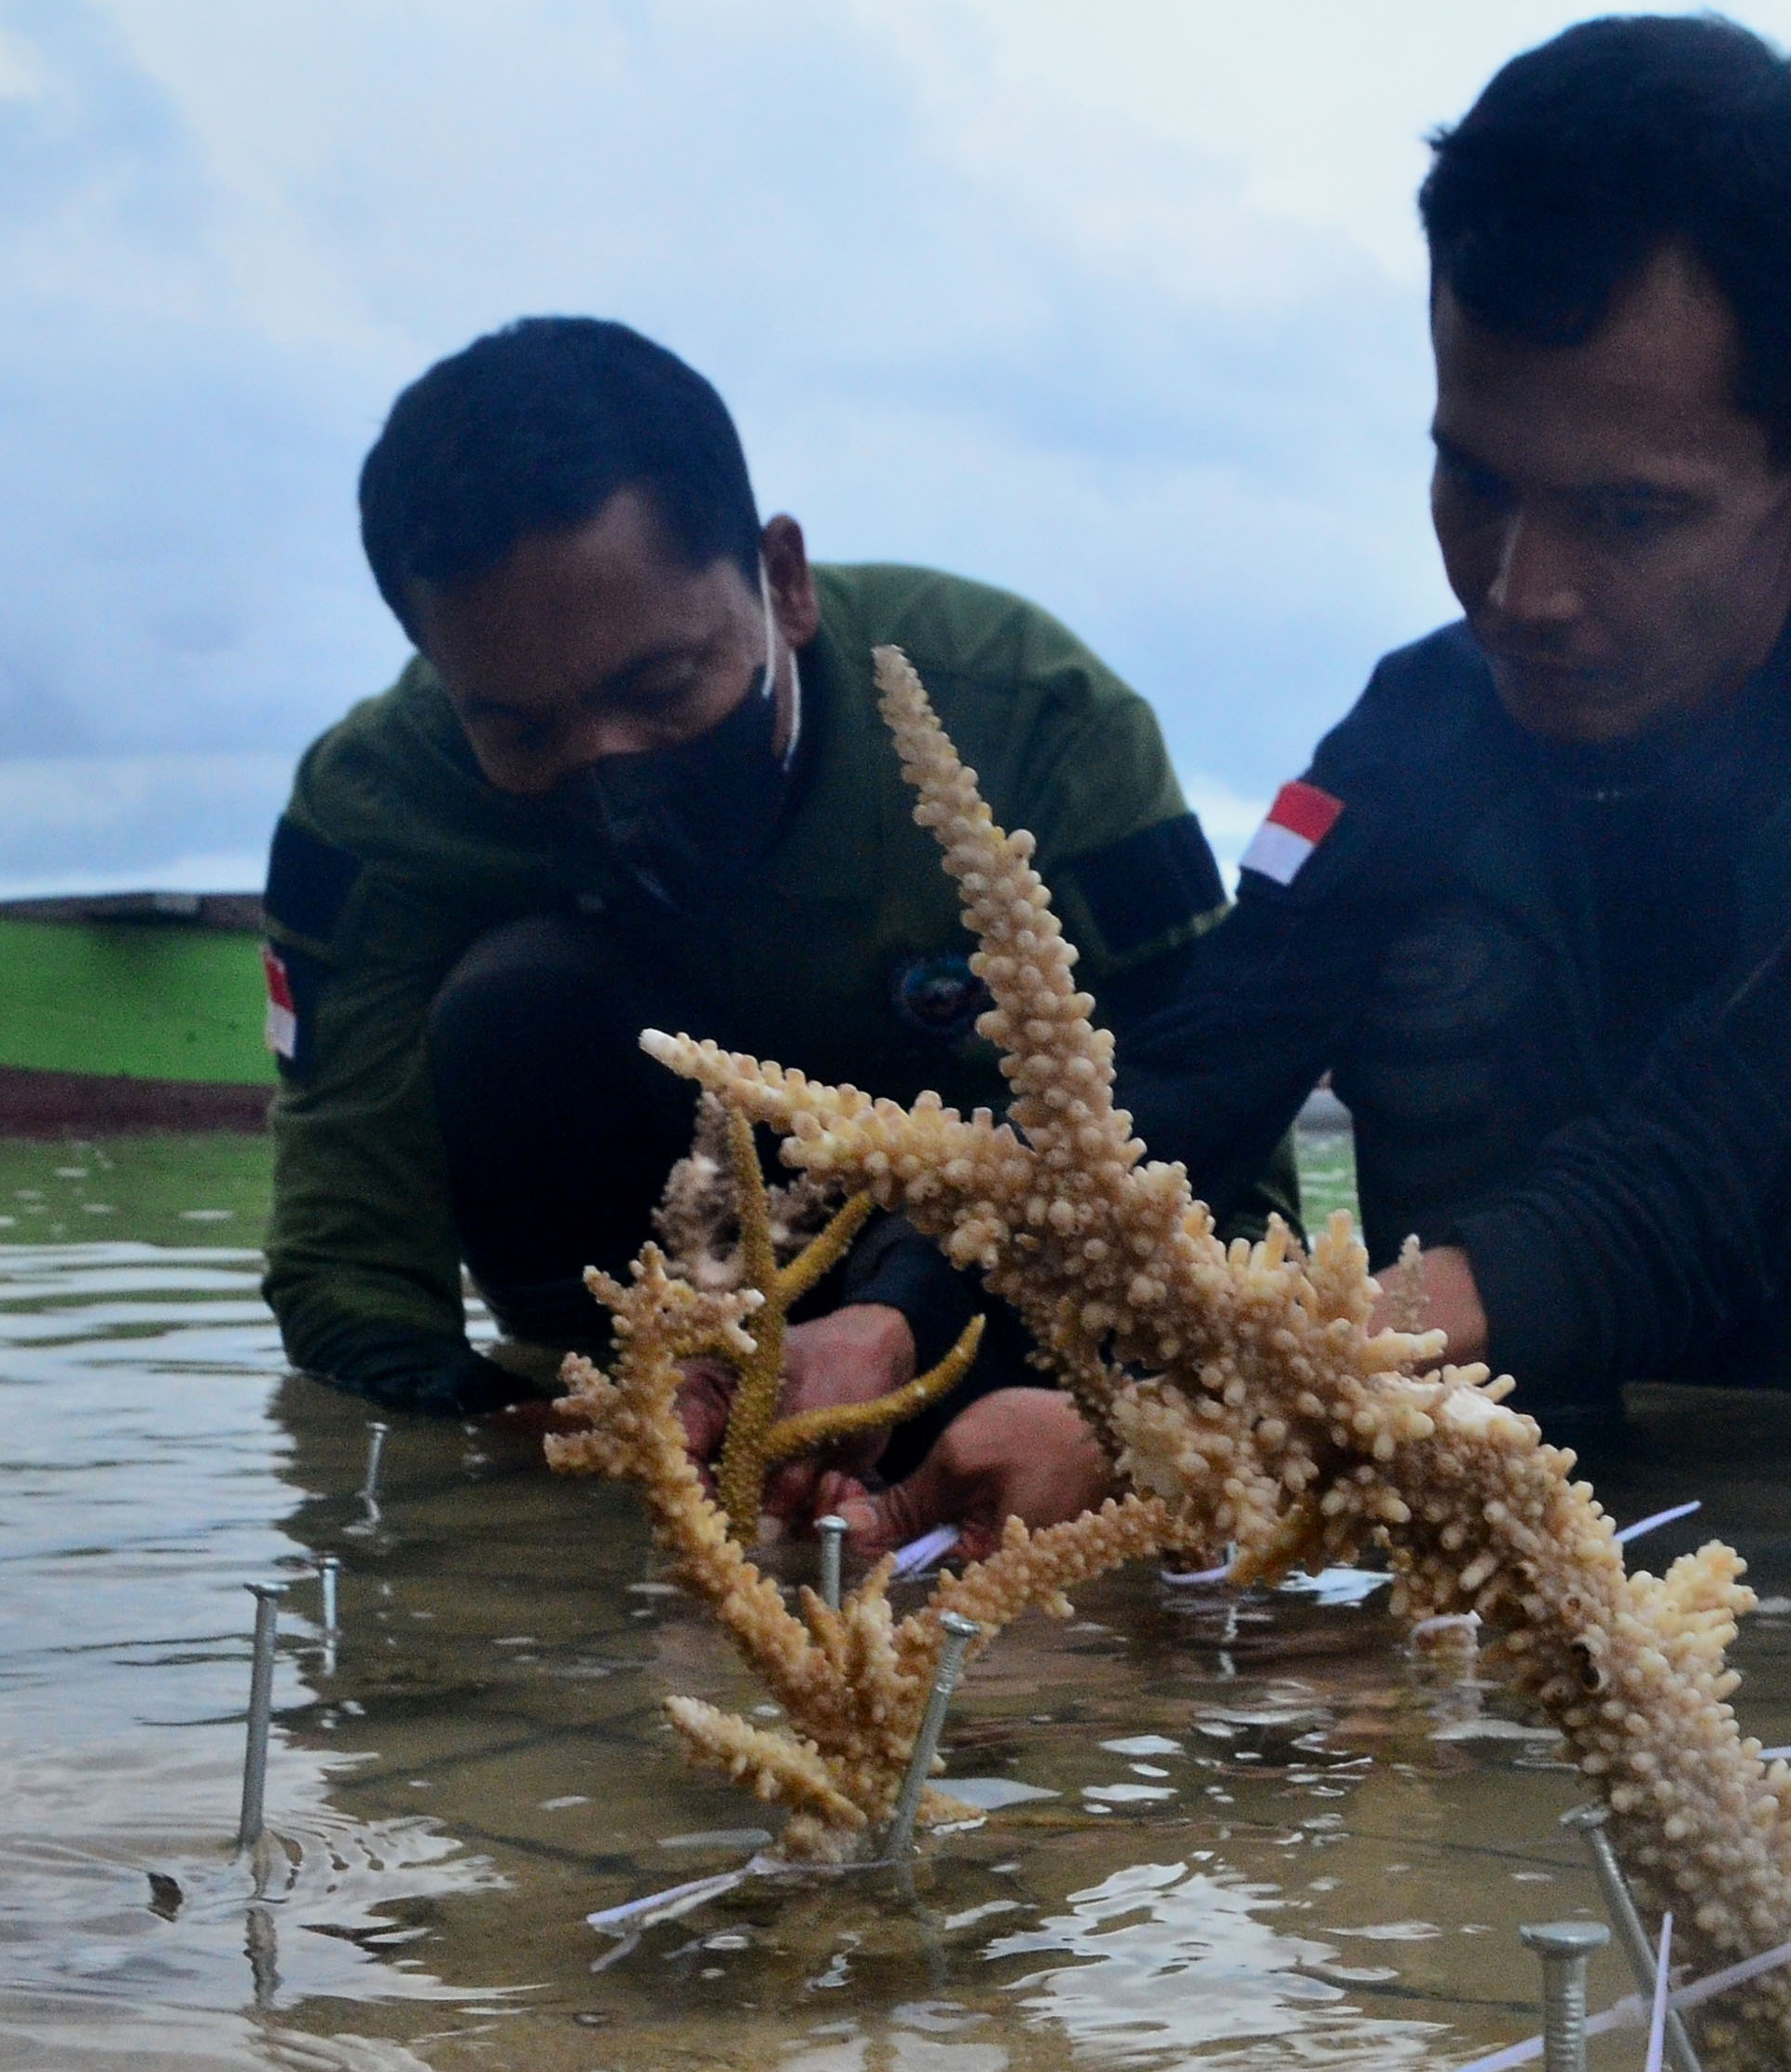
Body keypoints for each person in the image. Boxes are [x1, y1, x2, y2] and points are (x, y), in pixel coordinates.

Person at [844, 14, 1791, 1547]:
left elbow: (1727, 1168)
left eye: (1627, 513)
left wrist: (1191, 1419)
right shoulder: (1424, 720)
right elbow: (1188, 1072)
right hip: (1660, 1459)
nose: (1518, 593)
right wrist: (890, 1325)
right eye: (1473, 478)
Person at [258, 317, 1230, 1486]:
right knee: (512, 1005)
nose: (612, 769)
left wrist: (961, 1340)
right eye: (518, 730)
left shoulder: (1039, 723)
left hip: (997, 1297)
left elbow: (1201, 1126)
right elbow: (346, 1254)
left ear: (784, 581)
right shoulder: (372, 810)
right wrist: (504, 1463)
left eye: (662, 687)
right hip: (645, 1298)